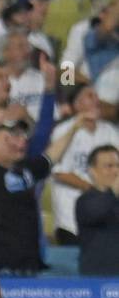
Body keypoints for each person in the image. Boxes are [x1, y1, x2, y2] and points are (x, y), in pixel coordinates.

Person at [0, 80, 75, 274]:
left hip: (28, 266)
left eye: (21, 136)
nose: (19, 140)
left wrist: (75, 126)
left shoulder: (26, 170)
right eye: (9, 136)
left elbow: (51, 156)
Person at [49, 85, 119, 245]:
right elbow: (60, 173)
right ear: (77, 104)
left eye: (97, 96)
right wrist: (96, 192)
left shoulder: (111, 131)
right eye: (90, 96)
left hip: (105, 215)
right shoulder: (63, 131)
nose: (97, 100)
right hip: (70, 218)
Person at [76, 145, 119, 275]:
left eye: (118, 165)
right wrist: (113, 192)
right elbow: (97, 212)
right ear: (92, 171)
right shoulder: (85, 201)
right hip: (97, 281)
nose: (116, 171)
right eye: (109, 166)